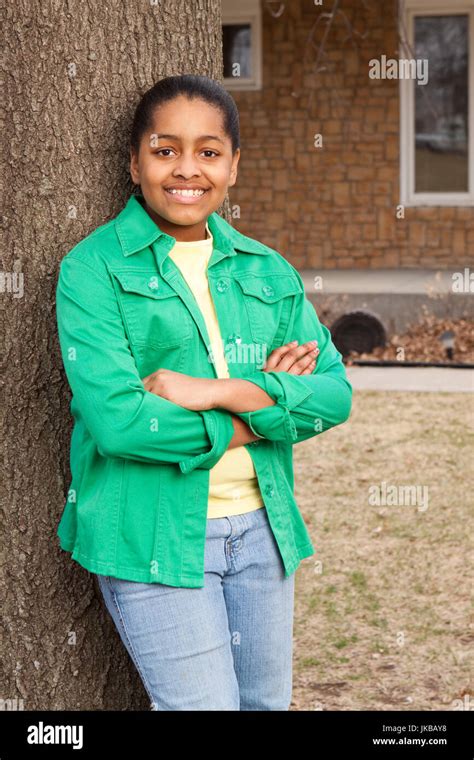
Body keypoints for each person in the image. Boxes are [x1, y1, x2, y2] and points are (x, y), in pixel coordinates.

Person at [55, 74, 352, 710]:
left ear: (234, 166)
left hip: (263, 529)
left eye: (209, 152)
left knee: (265, 708)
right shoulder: (93, 269)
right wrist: (260, 412)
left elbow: (334, 396)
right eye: (165, 150)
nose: (186, 169)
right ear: (134, 163)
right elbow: (121, 423)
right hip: (153, 532)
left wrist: (218, 389)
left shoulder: (267, 271)